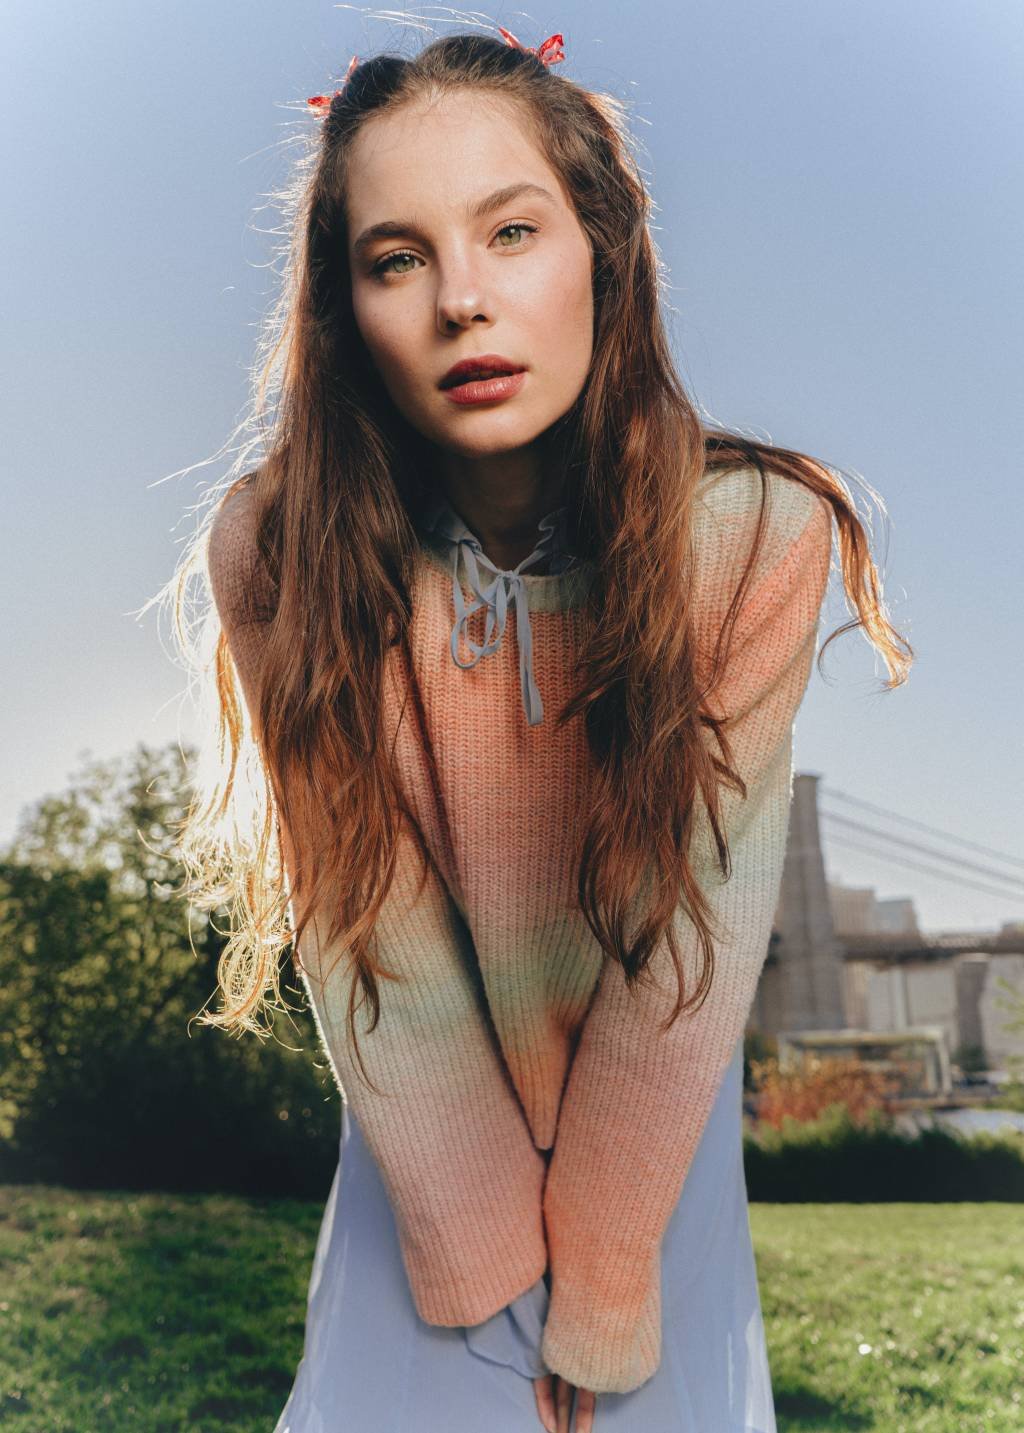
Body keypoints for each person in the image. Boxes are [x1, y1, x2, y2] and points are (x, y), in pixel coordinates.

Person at [170, 26, 912, 1433]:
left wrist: (609, 1270)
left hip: (656, 1133)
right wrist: (486, 1264)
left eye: (511, 232)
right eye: (397, 258)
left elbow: (689, 941)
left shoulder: (752, 537)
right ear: (345, 309)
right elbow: (367, 921)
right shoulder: (280, 552)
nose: (463, 300)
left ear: (603, 251)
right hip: (420, 1135)